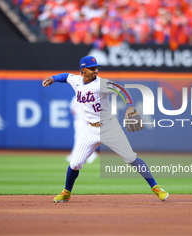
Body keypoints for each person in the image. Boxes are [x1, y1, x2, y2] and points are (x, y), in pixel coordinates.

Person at [42, 56, 169, 203]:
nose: (95, 71)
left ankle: (156, 187)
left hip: (109, 127)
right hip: (89, 129)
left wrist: (130, 106)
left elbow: (121, 90)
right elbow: (65, 76)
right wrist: (52, 78)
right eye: (92, 68)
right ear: (83, 70)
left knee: (130, 158)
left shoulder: (101, 84)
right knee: (75, 163)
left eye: (96, 68)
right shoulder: (76, 80)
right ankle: (66, 192)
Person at [66, 95, 99, 164]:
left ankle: (91, 154)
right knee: (78, 138)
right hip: (78, 121)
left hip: (87, 121)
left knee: (85, 138)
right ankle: (75, 154)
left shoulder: (90, 97)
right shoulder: (75, 98)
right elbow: (72, 110)